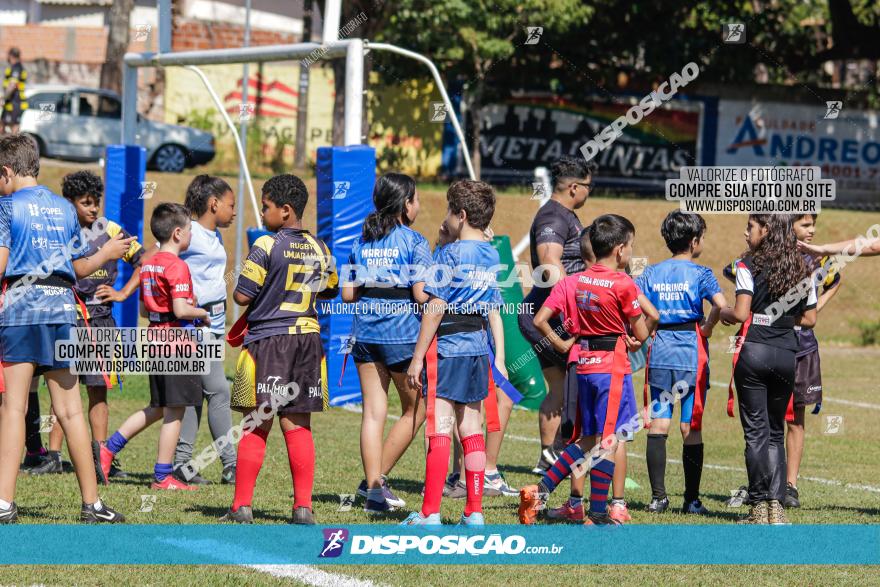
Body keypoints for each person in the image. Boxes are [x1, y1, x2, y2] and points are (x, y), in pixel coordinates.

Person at [0, 133, 129, 523]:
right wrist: (105, 253)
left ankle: (4, 503)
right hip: (62, 310)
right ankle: (92, 503)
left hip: (19, 310)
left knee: (14, 407)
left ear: (6, 172)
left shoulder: (6, 207)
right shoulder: (63, 208)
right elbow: (76, 269)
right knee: (71, 411)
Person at [519, 214, 656, 526]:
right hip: (611, 367)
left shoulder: (576, 280)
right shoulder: (623, 283)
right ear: (620, 249)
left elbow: (541, 318)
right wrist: (635, 338)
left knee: (586, 439)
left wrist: (562, 344)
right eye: (631, 246)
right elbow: (643, 331)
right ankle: (597, 514)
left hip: (583, 365)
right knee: (609, 440)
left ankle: (540, 491)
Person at [222, 174, 338, 525]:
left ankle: (242, 506)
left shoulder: (267, 245)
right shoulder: (321, 247)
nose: (262, 213)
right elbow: (331, 288)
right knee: (298, 424)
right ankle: (303, 507)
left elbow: (241, 294)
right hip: (307, 342)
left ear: (285, 211)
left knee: (256, 423)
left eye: (266, 206)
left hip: (268, 342)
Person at [24, 170, 145, 478]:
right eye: (86, 203)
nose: (93, 209)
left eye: (96, 202)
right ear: (70, 202)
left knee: (98, 389)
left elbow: (147, 259)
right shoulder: (60, 228)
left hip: (101, 320)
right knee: (62, 387)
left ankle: (100, 457)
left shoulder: (111, 229)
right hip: (67, 317)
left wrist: (123, 292)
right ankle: (53, 456)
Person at [401, 179, 506, 527]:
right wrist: (500, 357)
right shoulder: (492, 253)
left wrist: (417, 357)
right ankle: (474, 512)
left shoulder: (449, 254)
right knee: (472, 428)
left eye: (449, 210)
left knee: (440, 427)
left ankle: (430, 513)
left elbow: (435, 307)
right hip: (478, 349)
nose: (445, 217)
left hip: (448, 349)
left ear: (461, 215)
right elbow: (494, 308)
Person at [94, 203, 208, 490]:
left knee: (158, 407)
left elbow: (145, 311)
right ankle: (162, 475)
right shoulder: (177, 266)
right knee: (175, 411)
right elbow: (182, 311)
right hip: (177, 343)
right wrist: (203, 314)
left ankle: (108, 449)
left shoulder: (150, 264)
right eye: (191, 230)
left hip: (155, 338)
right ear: (179, 233)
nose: (192, 235)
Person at [720, 214, 817, 525]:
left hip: (755, 352)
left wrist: (721, 312)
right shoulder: (803, 267)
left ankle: (759, 507)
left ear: (766, 229)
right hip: (787, 353)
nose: (745, 232)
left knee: (756, 434)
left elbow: (741, 312)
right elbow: (811, 320)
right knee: (776, 431)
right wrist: (781, 320)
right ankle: (776, 508)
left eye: (750, 226)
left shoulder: (748, 264)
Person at [342, 173, 429, 513]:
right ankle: (375, 484)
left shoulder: (358, 241)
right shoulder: (414, 241)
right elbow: (422, 296)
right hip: (402, 337)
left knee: (373, 414)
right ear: (406, 204)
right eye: (416, 199)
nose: (418, 205)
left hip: (364, 335)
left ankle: (374, 490)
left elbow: (348, 296)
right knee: (417, 409)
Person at [634, 211, 726, 514]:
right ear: (695, 241)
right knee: (691, 426)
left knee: (659, 424)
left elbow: (635, 307)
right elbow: (722, 306)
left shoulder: (650, 273)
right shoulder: (702, 274)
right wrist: (709, 326)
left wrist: (641, 334)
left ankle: (658, 497)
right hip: (691, 351)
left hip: (660, 350)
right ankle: (691, 499)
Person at [517, 156, 593, 474]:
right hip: (548, 316)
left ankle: (549, 456)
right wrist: (580, 304)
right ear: (574, 187)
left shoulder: (565, 215)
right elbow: (550, 263)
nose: (590, 192)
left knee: (560, 386)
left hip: (548, 314)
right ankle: (559, 453)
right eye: (589, 186)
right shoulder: (553, 216)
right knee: (576, 384)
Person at [172, 175, 237, 486]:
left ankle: (182, 464)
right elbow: (157, 260)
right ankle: (230, 464)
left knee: (194, 397)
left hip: (214, 325)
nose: (234, 212)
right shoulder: (190, 233)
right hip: (194, 327)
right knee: (220, 391)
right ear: (214, 204)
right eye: (231, 205)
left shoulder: (214, 236)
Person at [786, 214, 840, 508]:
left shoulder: (817, 260)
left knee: (795, 418)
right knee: (766, 418)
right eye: (805, 225)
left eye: (813, 224)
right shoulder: (769, 255)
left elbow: (836, 280)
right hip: (770, 346)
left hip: (803, 348)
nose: (813, 230)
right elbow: (734, 271)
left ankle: (790, 484)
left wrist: (816, 307)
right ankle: (764, 478)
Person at [2, 49, 27, 135]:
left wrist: (3, 98)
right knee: (2, 125)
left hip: (16, 103)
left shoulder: (17, 67)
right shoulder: (15, 67)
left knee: (14, 128)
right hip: (10, 102)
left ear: (11, 56)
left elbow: (12, 85)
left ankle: (14, 147)